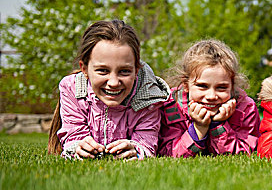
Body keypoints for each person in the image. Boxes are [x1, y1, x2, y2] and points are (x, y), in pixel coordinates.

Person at [47, 19, 170, 159]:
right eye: (103, 71)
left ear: (136, 70)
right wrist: (79, 148)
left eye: (124, 71)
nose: (113, 83)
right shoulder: (72, 89)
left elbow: (147, 143)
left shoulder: (150, 97)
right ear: (84, 68)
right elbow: (73, 137)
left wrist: (136, 150)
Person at [158, 39, 260, 157]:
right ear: (186, 85)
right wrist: (198, 128)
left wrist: (218, 125)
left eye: (221, 87)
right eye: (202, 86)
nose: (211, 96)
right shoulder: (172, 106)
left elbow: (244, 153)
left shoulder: (245, 108)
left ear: (232, 86)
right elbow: (167, 154)